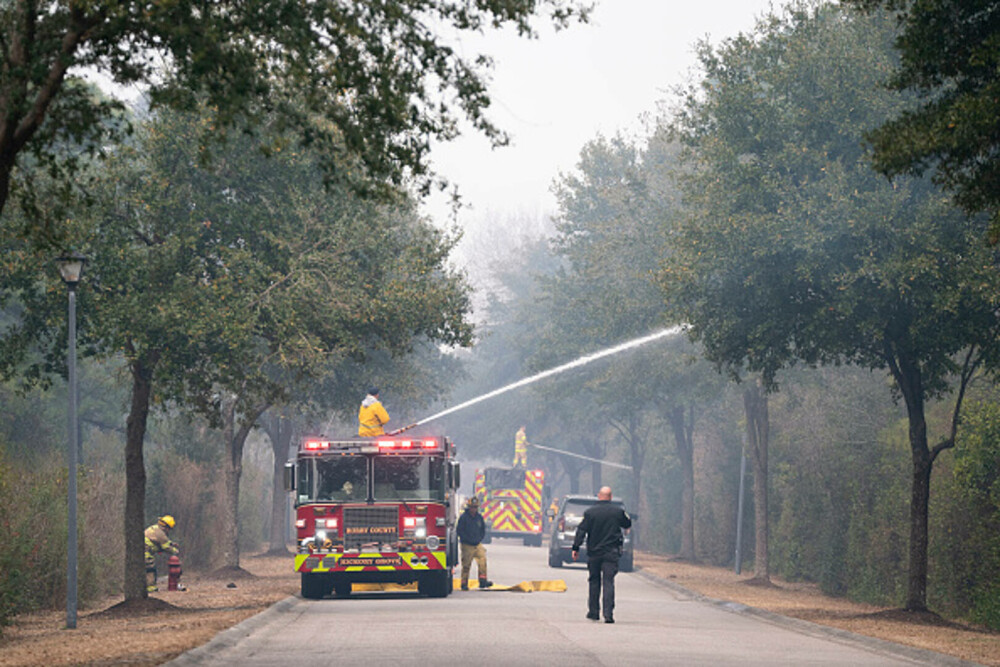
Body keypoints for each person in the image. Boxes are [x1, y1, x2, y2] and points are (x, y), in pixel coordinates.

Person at [572, 486, 631, 623]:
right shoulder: (618, 512)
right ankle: (608, 614)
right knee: (608, 581)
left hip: (594, 552)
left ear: (599, 496)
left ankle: (593, 612)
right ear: (610, 497)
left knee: (594, 581)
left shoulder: (590, 512)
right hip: (611, 552)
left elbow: (581, 531)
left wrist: (576, 547)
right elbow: (627, 523)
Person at [456, 497, 492, 590]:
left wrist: (479, 538)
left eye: (476, 507)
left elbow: (482, 529)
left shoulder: (479, 517)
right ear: (469, 507)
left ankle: (483, 581)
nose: (474, 509)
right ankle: (464, 584)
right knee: (466, 565)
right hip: (467, 545)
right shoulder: (464, 518)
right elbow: (459, 530)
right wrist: (466, 539)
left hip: (477, 544)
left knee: (482, 560)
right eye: (472, 507)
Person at [144, 515, 180, 593]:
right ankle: (151, 588)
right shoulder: (160, 533)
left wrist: (172, 543)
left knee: (144, 569)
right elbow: (166, 547)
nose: (169, 531)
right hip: (145, 552)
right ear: (166, 527)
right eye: (169, 529)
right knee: (150, 569)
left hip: (143, 550)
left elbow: (163, 541)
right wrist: (175, 551)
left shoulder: (156, 528)